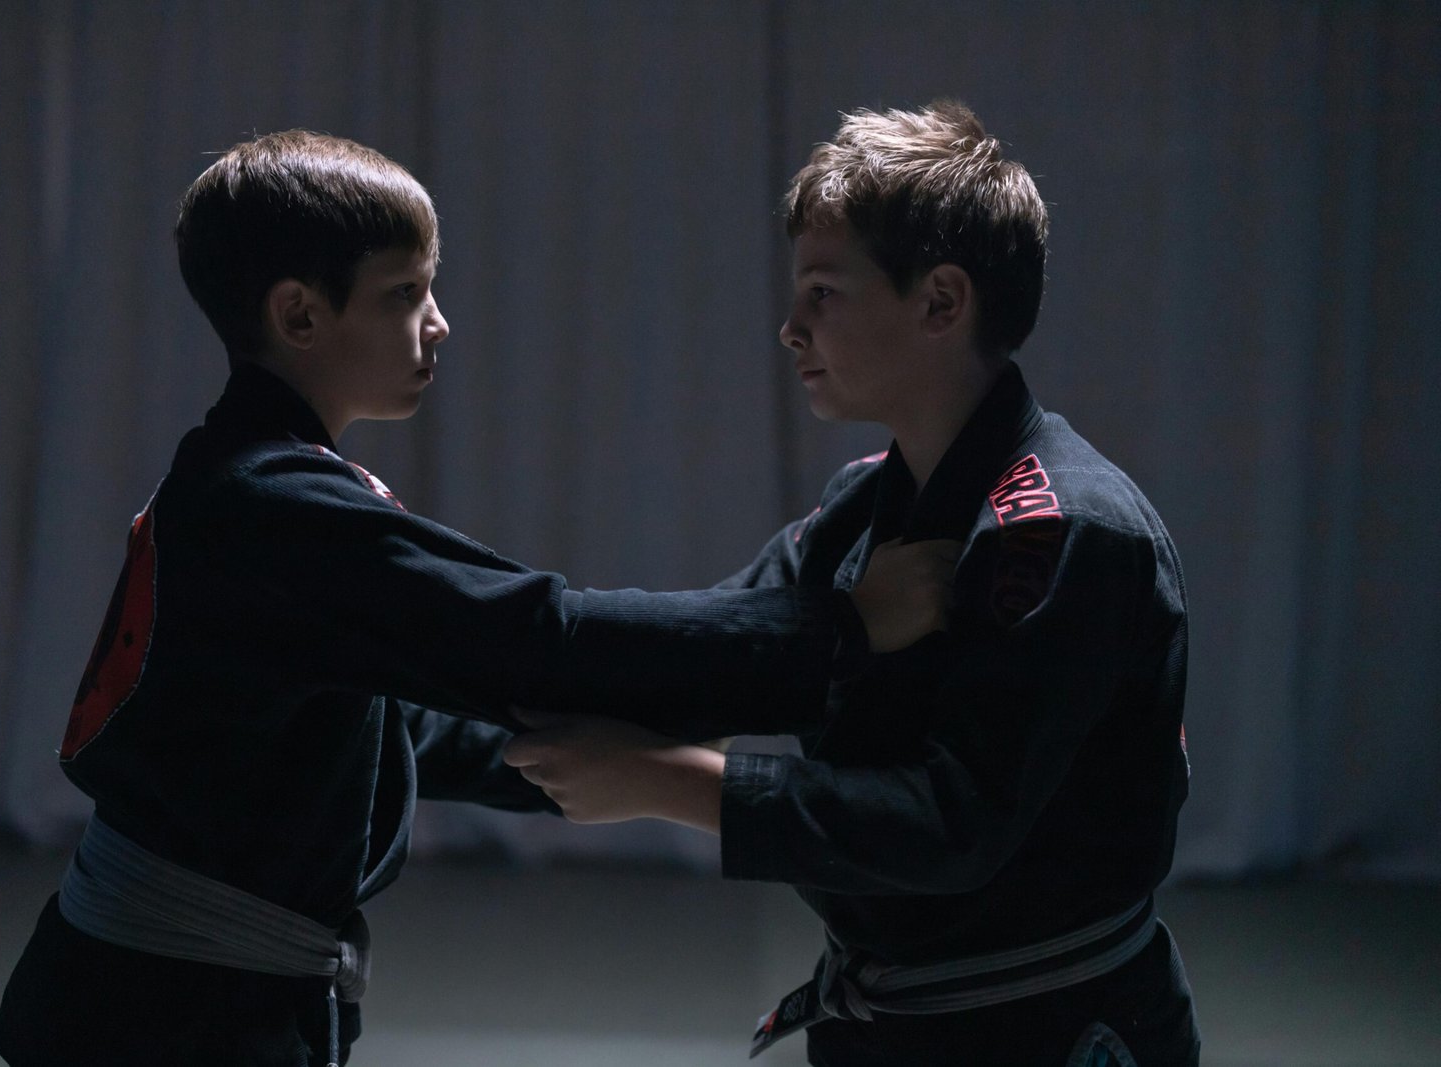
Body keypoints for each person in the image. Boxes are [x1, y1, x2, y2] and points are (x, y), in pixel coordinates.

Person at [0, 130, 949, 1067]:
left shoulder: (263, 480)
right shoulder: (274, 506)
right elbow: (539, 635)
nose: (439, 320)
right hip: (155, 1017)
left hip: (170, 995)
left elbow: (392, 723)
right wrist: (840, 629)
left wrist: (600, 761)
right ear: (300, 316)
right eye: (405, 293)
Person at [505, 102, 1200, 1066]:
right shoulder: (861, 506)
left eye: (825, 293)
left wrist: (671, 785)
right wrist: (435, 675)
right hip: (891, 1025)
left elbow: (951, 824)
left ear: (941, 301)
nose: (790, 328)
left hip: (1045, 1030)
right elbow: (713, 656)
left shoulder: (1062, 529)